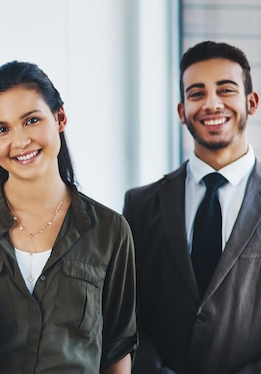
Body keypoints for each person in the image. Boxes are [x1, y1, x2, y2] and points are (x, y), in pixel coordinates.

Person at [0, 61, 137, 373]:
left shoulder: (110, 231)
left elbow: (117, 347)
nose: (19, 141)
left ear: (60, 118)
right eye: (1, 129)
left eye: (31, 121)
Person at [123, 41, 261, 373]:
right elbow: (124, 314)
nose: (212, 104)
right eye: (197, 93)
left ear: (251, 102)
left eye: (225, 90)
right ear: (182, 110)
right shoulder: (140, 205)